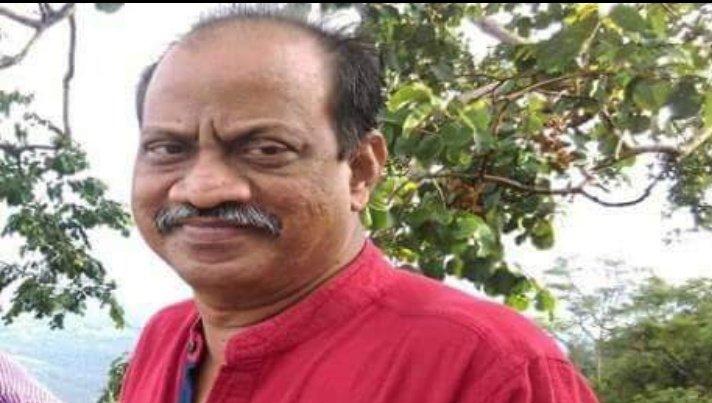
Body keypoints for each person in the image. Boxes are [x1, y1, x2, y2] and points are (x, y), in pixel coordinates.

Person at [121, 6, 599, 403]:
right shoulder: (167, 337)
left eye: (265, 149)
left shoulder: (489, 369)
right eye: (167, 149)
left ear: (361, 170)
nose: (202, 190)